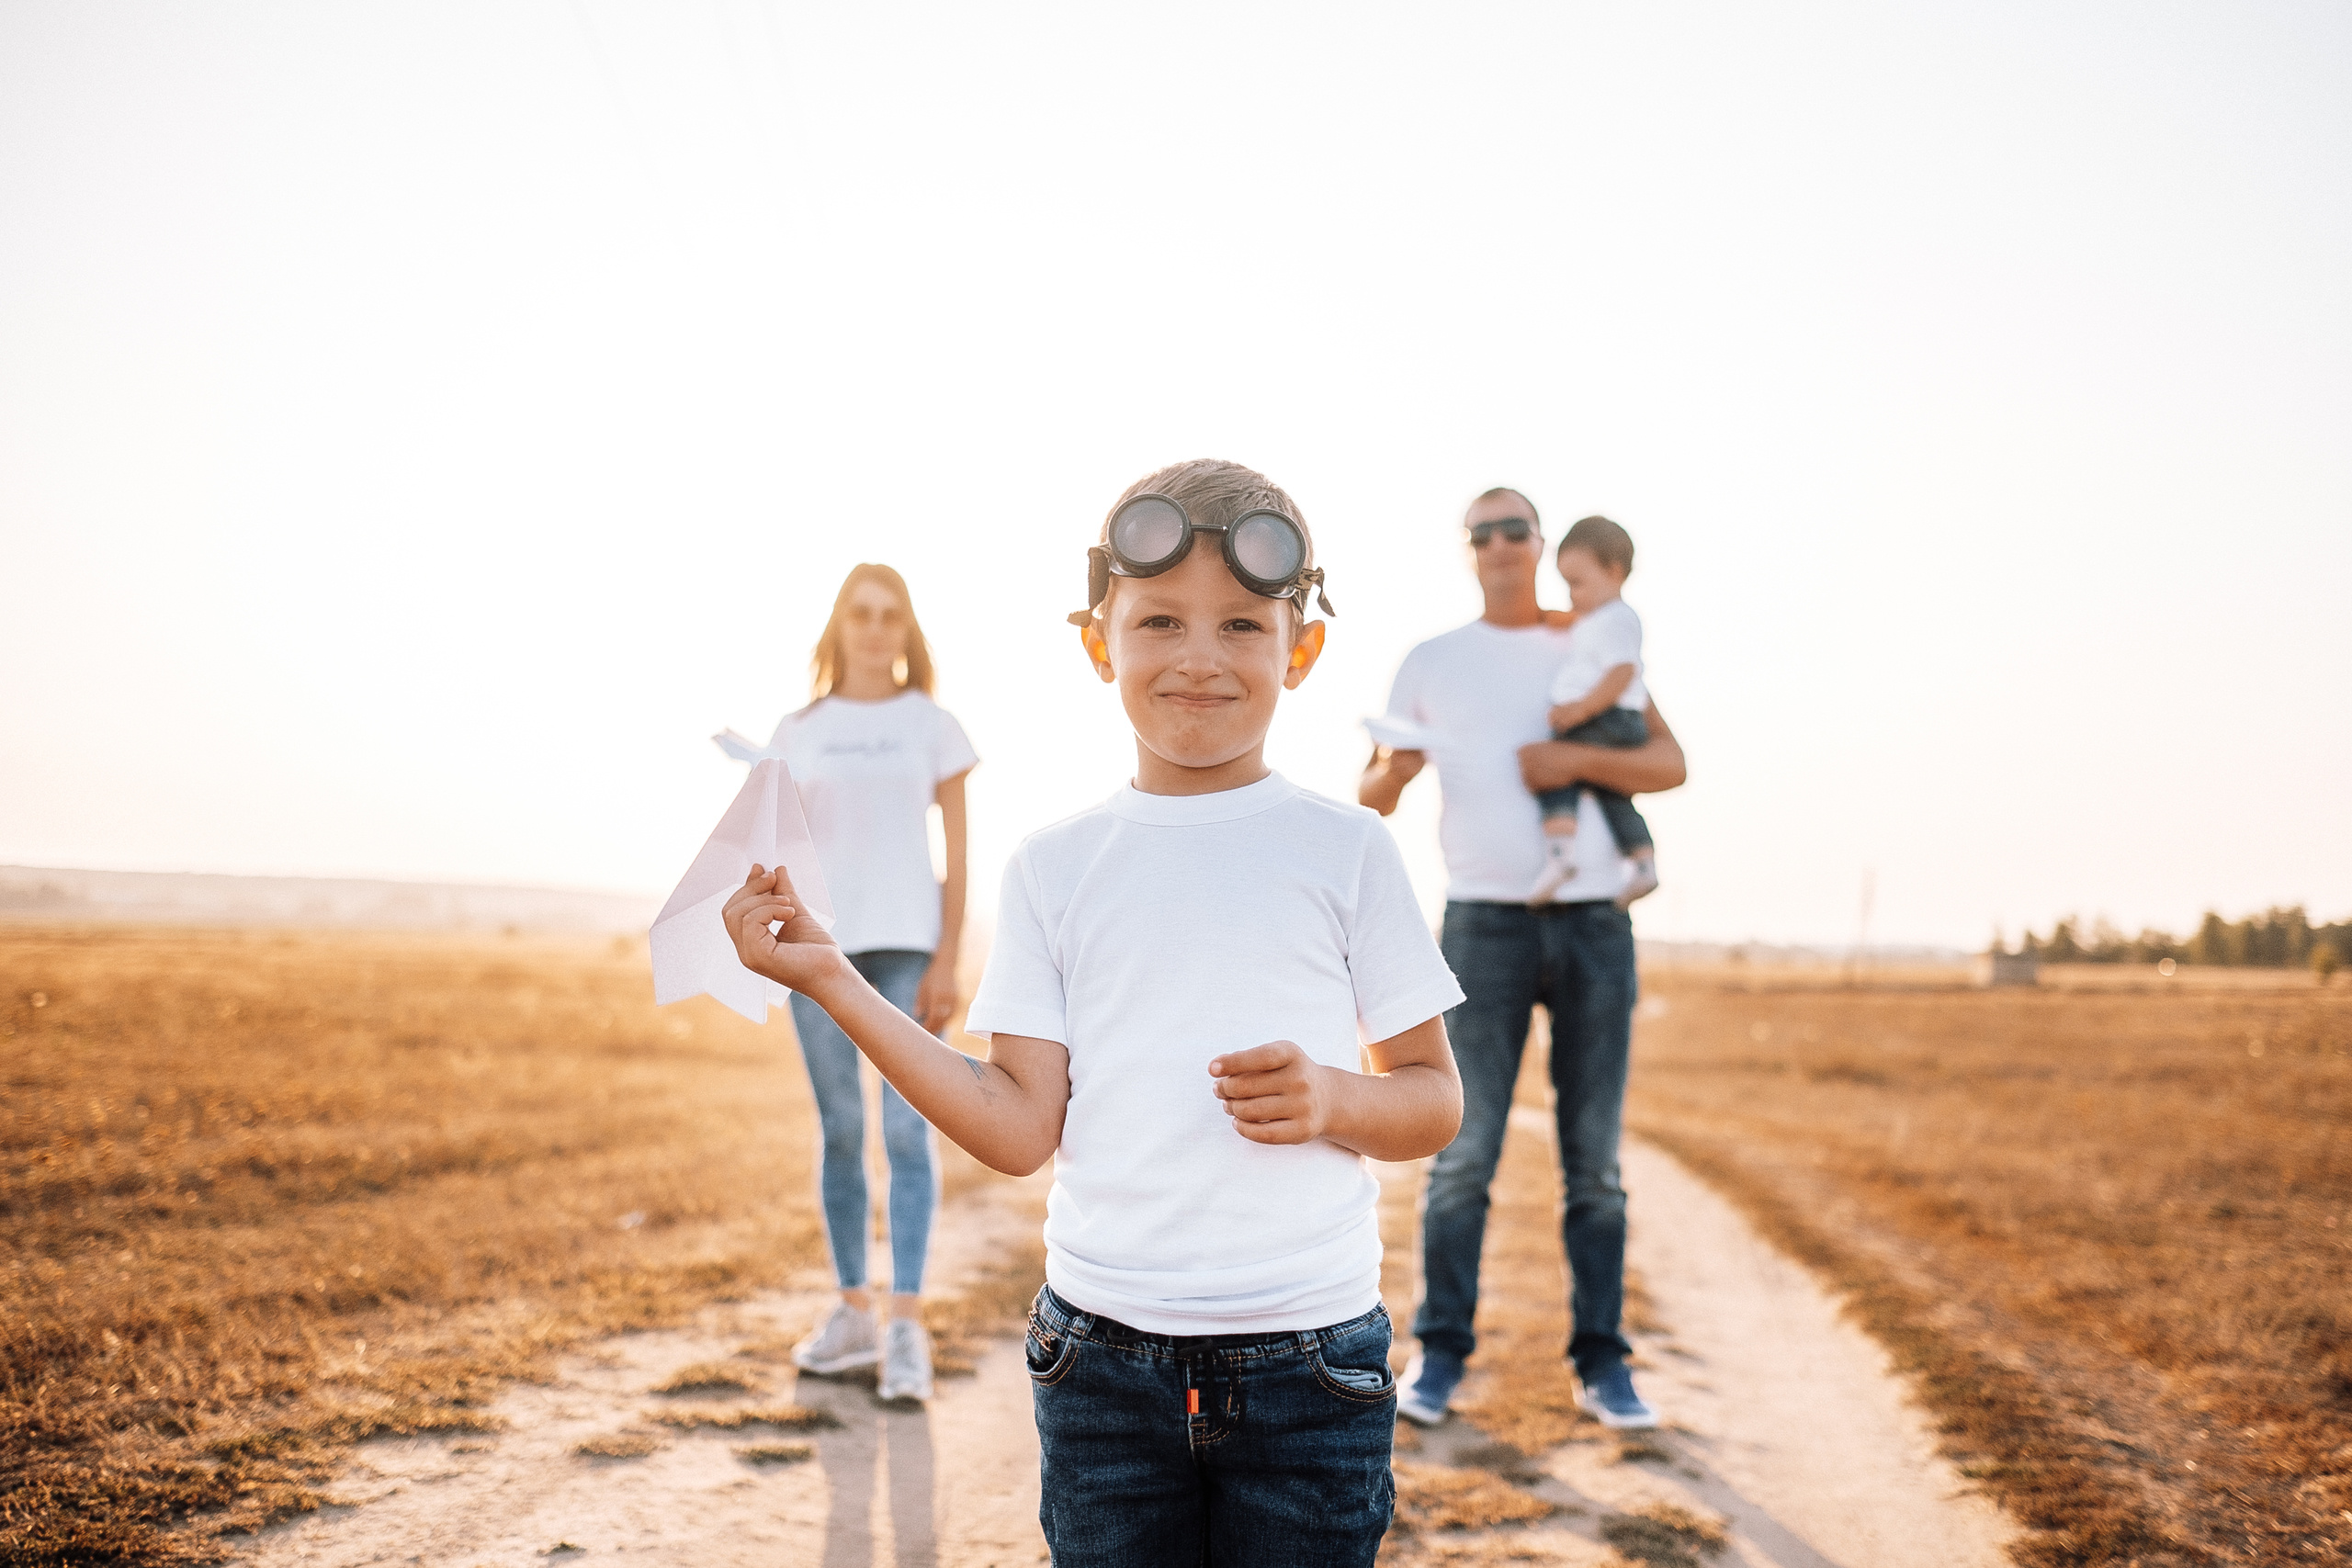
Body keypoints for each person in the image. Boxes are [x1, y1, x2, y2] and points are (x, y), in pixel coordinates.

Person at [723, 458, 1466, 1567]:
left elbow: (1431, 1101)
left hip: (1313, 1370)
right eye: (1159, 620)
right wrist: (833, 979)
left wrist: (1332, 1097)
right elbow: (1020, 1129)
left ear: (1299, 648)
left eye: (1242, 626)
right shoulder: (1053, 867)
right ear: (1096, 640)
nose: (1200, 658)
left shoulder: (1348, 850)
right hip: (1101, 1372)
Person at [1359, 487, 1686, 1432]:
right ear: (1466, 552)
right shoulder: (1432, 660)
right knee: (1462, 1158)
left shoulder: (1583, 640)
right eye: (1482, 533)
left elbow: (1667, 763)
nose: (1500, 544)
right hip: (1481, 928)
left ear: (1541, 545)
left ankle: (1602, 1365)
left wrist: (1572, 764)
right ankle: (1438, 1358)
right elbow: (1373, 796)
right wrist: (1393, 771)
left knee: (1595, 1165)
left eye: (1516, 529)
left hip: (1591, 926)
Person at [766, 563, 978, 1404]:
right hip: (816, 951)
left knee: (906, 1136)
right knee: (842, 1130)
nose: (876, 627)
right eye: (861, 612)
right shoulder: (799, 727)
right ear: (839, 625)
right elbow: (773, 841)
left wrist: (950, 954)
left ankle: (905, 1326)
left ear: (908, 629)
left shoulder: (934, 724)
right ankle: (852, 1309)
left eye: (892, 614)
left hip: (907, 952)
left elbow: (960, 854)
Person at [1528, 515, 1659, 908]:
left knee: (1554, 769)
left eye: (1577, 584)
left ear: (1614, 572)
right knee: (1613, 794)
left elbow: (1622, 671)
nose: (1571, 595)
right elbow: (1584, 626)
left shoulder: (1617, 618)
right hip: (1614, 719)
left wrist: (1580, 710)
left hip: (1605, 718)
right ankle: (1642, 863)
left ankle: (1560, 856)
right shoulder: (1603, 618)